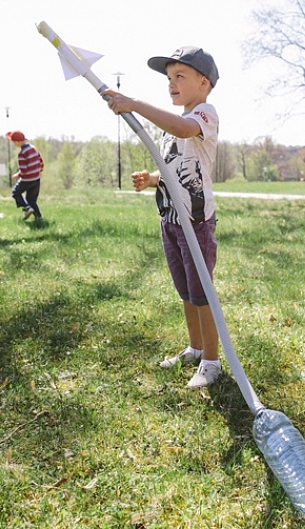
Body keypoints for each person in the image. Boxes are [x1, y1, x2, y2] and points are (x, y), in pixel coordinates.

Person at [102, 46, 222, 389]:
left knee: (202, 294)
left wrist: (135, 104)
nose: (171, 84)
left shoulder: (204, 115)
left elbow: (186, 131)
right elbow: (174, 165)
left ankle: (212, 361)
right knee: (186, 291)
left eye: (179, 76)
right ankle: (195, 348)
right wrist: (153, 178)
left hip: (195, 223)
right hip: (170, 219)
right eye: (169, 78)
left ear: (204, 82)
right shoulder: (173, 126)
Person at [8, 131, 44, 220]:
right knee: (31, 200)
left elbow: (23, 170)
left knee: (15, 193)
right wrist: (39, 171)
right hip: (36, 179)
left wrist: (17, 175)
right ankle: (38, 218)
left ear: (17, 142)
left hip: (27, 180)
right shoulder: (34, 148)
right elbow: (41, 162)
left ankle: (27, 208)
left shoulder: (22, 153)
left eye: (13, 142)